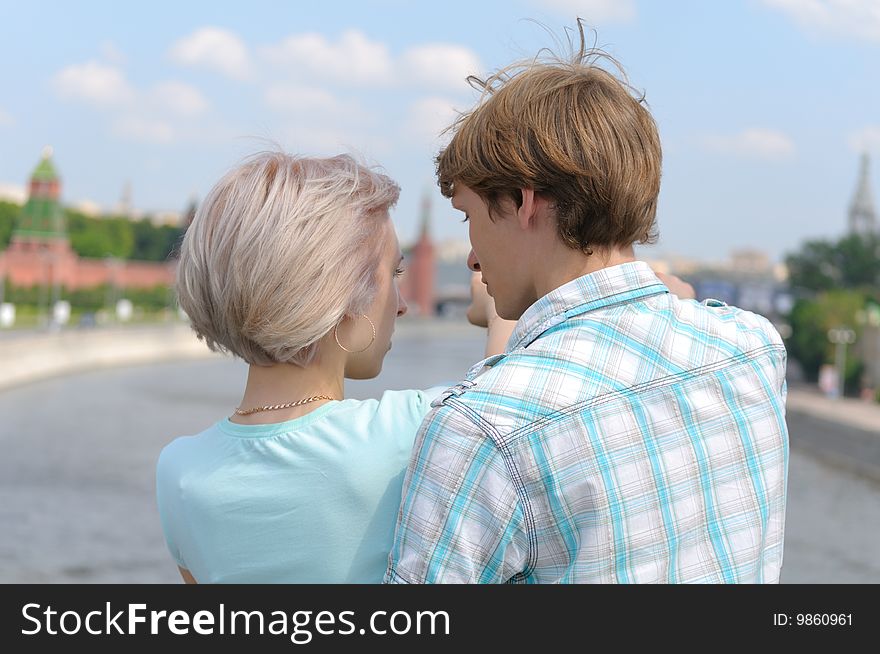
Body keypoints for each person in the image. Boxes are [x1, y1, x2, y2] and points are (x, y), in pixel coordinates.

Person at [385, 25, 789, 584]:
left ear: (524, 202)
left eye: (469, 216)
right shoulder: (752, 348)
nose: (473, 257)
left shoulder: (482, 428)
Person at [155, 152, 517, 583]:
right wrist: (500, 303)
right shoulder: (409, 433)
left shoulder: (178, 470)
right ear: (344, 295)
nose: (401, 306)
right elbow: (509, 394)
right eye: (393, 273)